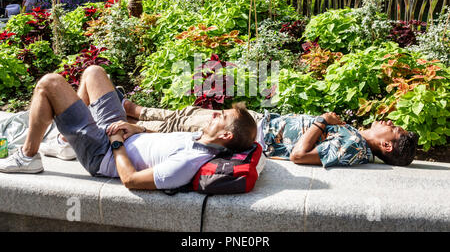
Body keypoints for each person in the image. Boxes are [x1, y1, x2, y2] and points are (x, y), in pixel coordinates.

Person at [0, 65, 257, 191]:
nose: (213, 113)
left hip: (103, 153)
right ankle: (67, 144)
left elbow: (131, 180)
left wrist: (117, 144)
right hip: (119, 136)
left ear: (226, 135)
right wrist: (138, 130)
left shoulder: (189, 163)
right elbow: (162, 139)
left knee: (50, 84)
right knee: (93, 73)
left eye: (221, 117)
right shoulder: (200, 138)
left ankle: (28, 156)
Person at [120, 99, 418, 168]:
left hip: (255, 133)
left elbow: (299, 155)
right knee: (189, 116)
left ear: (386, 146)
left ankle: (134, 117)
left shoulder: (355, 149)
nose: (388, 122)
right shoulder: (355, 139)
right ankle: (137, 113)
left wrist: (321, 122)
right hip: (262, 123)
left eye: (392, 129)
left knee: (188, 121)